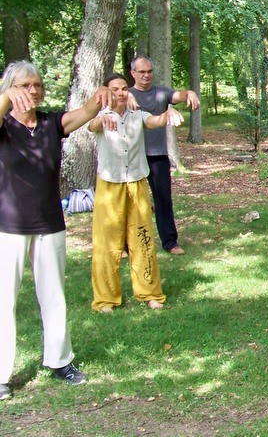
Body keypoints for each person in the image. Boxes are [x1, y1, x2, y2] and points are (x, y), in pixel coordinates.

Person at [1, 61, 113, 399]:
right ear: (11, 87)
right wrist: (6, 96)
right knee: (4, 301)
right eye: (24, 85)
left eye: (37, 85)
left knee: (53, 295)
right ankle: (2, 375)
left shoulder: (50, 123)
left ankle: (60, 360)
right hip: (8, 225)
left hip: (49, 222)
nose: (33, 90)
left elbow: (85, 111)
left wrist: (102, 96)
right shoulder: (4, 124)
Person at [89, 74, 183, 312]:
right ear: (108, 92)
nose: (120, 93)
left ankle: (150, 293)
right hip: (110, 185)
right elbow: (92, 126)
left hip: (136, 182)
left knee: (142, 238)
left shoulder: (137, 115)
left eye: (123, 88)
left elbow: (153, 121)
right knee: (108, 242)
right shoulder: (101, 116)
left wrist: (167, 115)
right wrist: (102, 120)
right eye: (114, 89)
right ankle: (106, 299)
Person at [128, 56, 200, 254]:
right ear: (133, 73)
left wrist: (190, 93)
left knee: (163, 200)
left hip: (157, 155)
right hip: (133, 157)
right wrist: (123, 95)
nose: (146, 75)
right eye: (142, 72)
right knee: (130, 202)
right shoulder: (125, 95)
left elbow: (178, 95)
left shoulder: (161, 92)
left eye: (149, 71)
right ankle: (125, 245)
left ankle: (170, 242)